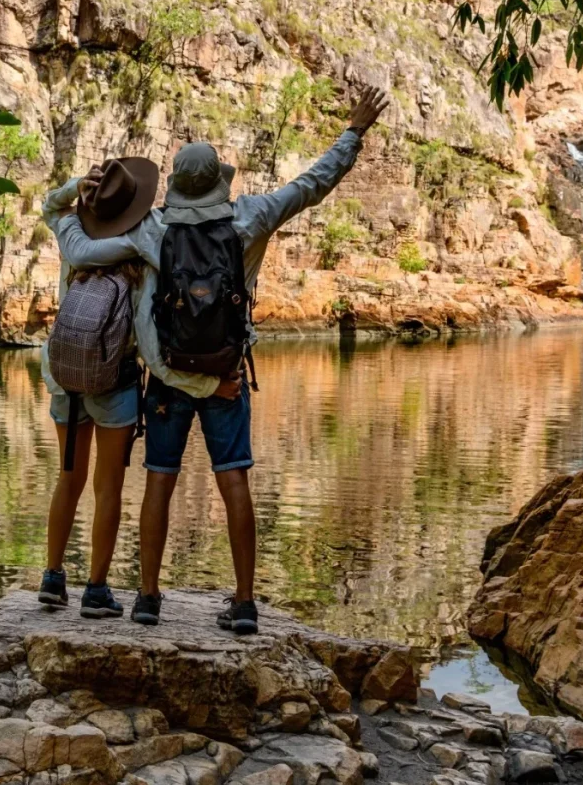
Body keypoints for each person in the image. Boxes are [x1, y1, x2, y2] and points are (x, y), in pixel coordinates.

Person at [59, 84, 391, 634]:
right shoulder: (249, 219)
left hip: (167, 379)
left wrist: (78, 198)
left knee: (160, 479)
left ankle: (147, 598)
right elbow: (312, 186)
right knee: (233, 479)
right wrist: (352, 133)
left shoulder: (153, 228)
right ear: (218, 180)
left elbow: (81, 250)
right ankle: (242, 602)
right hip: (226, 377)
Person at [37, 156, 226, 617]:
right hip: (114, 383)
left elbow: (49, 207)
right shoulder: (139, 259)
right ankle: (96, 589)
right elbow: (149, 346)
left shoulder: (72, 239)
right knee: (108, 488)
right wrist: (202, 383)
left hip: (64, 376)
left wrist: (75, 187)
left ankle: (52, 576)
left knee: (68, 478)